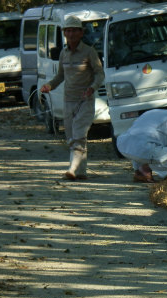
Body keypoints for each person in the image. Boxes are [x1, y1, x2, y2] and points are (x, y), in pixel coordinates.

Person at [40, 16, 105, 180]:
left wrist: (92, 88)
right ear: (64, 33)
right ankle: (81, 173)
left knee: (78, 135)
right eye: (68, 30)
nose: (71, 33)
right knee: (71, 138)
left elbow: (99, 74)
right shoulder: (63, 53)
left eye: (74, 30)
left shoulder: (89, 52)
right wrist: (49, 85)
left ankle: (72, 169)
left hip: (85, 100)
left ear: (81, 33)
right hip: (68, 101)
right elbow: (60, 76)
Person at [116, 107, 167, 182]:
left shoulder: (152, 112)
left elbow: (138, 136)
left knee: (144, 144)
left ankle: (139, 172)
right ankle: (145, 169)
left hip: (122, 144)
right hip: (143, 148)